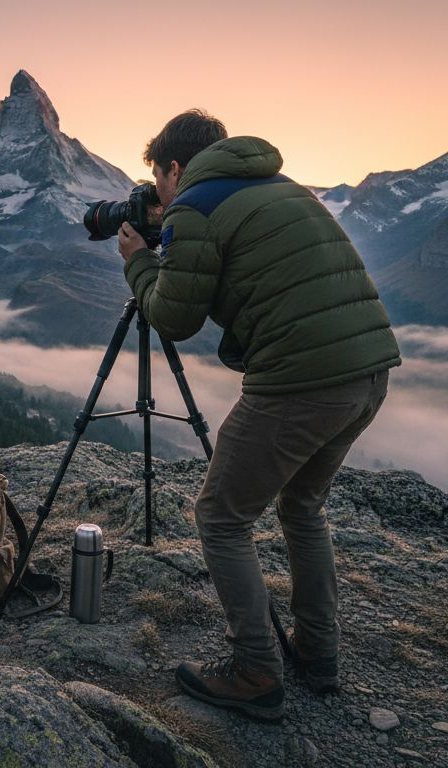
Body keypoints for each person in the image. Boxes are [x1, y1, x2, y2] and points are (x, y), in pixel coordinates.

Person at [117, 110, 402, 721]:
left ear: (174, 168)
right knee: (301, 507)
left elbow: (174, 316)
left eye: (160, 182)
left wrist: (140, 259)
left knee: (221, 516)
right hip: (369, 371)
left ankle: (254, 670)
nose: (161, 195)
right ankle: (318, 655)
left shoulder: (196, 204)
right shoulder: (281, 187)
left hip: (303, 380)